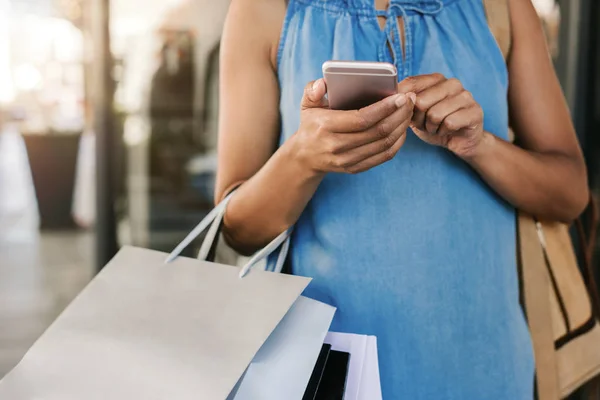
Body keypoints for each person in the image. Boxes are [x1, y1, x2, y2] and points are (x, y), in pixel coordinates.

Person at [215, 0, 588, 398]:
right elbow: (238, 231)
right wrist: (303, 156)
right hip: (329, 373)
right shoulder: (263, 10)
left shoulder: (504, 7)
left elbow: (569, 194)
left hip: (488, 370)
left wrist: (480, 146)